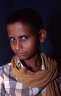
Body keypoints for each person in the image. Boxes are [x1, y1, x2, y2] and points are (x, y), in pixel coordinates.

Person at [0, 8, 60, 96]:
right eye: (12, 39)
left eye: (24, 38)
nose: (17, 47)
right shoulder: (3, 76)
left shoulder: (55, 71)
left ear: (41, 35)